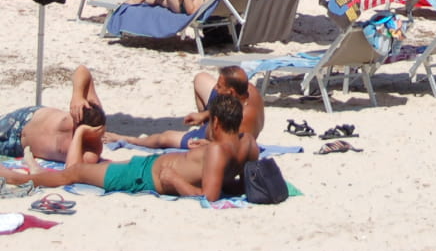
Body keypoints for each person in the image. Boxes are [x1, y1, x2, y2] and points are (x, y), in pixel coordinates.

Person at [5, 93, 257, 202]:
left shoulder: (216, 151)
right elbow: (243, 183)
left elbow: (209, 198)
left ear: (216, 121)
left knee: (76, 173)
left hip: (143, 177)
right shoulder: (248, 143)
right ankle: (35, 173)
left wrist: (175, 180)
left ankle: (20, 178)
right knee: (99, 168)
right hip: (144, 168)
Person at [105, 66, 264, 150]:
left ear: (231, 92)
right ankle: (206, 121)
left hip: (215, 136)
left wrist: (208, 144)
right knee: (201, 78)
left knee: (165, 138)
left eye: (219, 86)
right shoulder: (246, 89)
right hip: (219, 117)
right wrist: (205, 115)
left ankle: (126, 139)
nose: (215, 88)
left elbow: (233, 148)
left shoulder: (245, 120)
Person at [0, 65, 105, 164]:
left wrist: (80, 133)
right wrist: (77, 96)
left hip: (17, 146)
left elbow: (73, 169)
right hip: (25, 118)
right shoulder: (93, 109)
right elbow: (82, 70)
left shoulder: (91, 152)